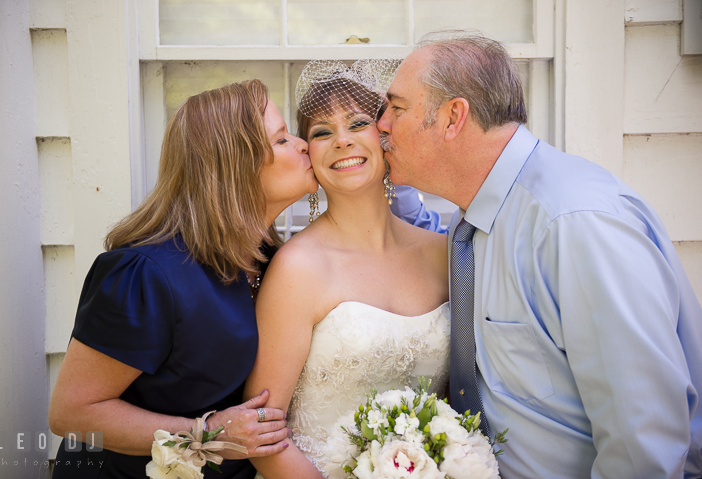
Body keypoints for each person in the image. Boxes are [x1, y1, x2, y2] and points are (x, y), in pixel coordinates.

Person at [377, 30, 702, 478]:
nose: (381, 126)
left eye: (396, 108)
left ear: (453, 117)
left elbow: (644, 443)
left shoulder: (572, 223)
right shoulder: (470, 223)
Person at [48, 79, 318, 478]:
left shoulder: (273, 263)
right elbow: (72, 413)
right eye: (281, 140)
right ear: (235, 168)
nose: (303, 145)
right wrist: (205, 434)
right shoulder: (145, 276)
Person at [242, 62, 450, 478]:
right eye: (321, 132)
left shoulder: (443, 255)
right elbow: (262, 432)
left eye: (358, 123)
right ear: (309, 153)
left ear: (386, 137)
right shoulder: (296, 269)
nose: (341, 141)